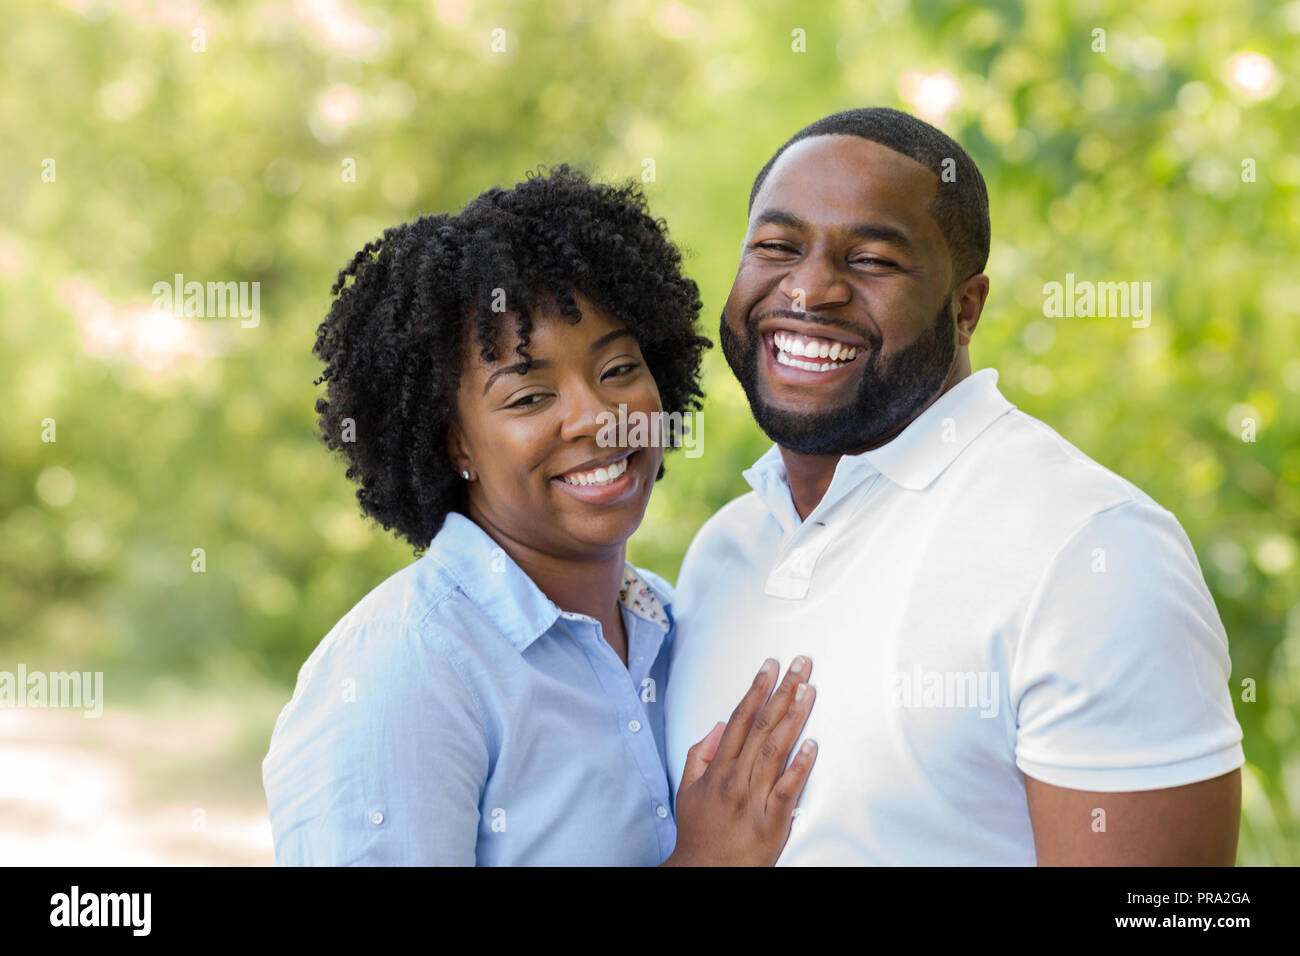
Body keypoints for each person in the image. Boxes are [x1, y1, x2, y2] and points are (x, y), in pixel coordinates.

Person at [664, 107, 1245, 865]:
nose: (808, 290)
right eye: (776, 246)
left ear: (965, 309)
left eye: (870, 260)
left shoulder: (1091, 549)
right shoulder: (723, 551)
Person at [262, 165, 817, 865]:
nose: (598, 418)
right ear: (453, 441)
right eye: (528, 398)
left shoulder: (681, 631)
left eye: (618, 370)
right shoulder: (405, 669)